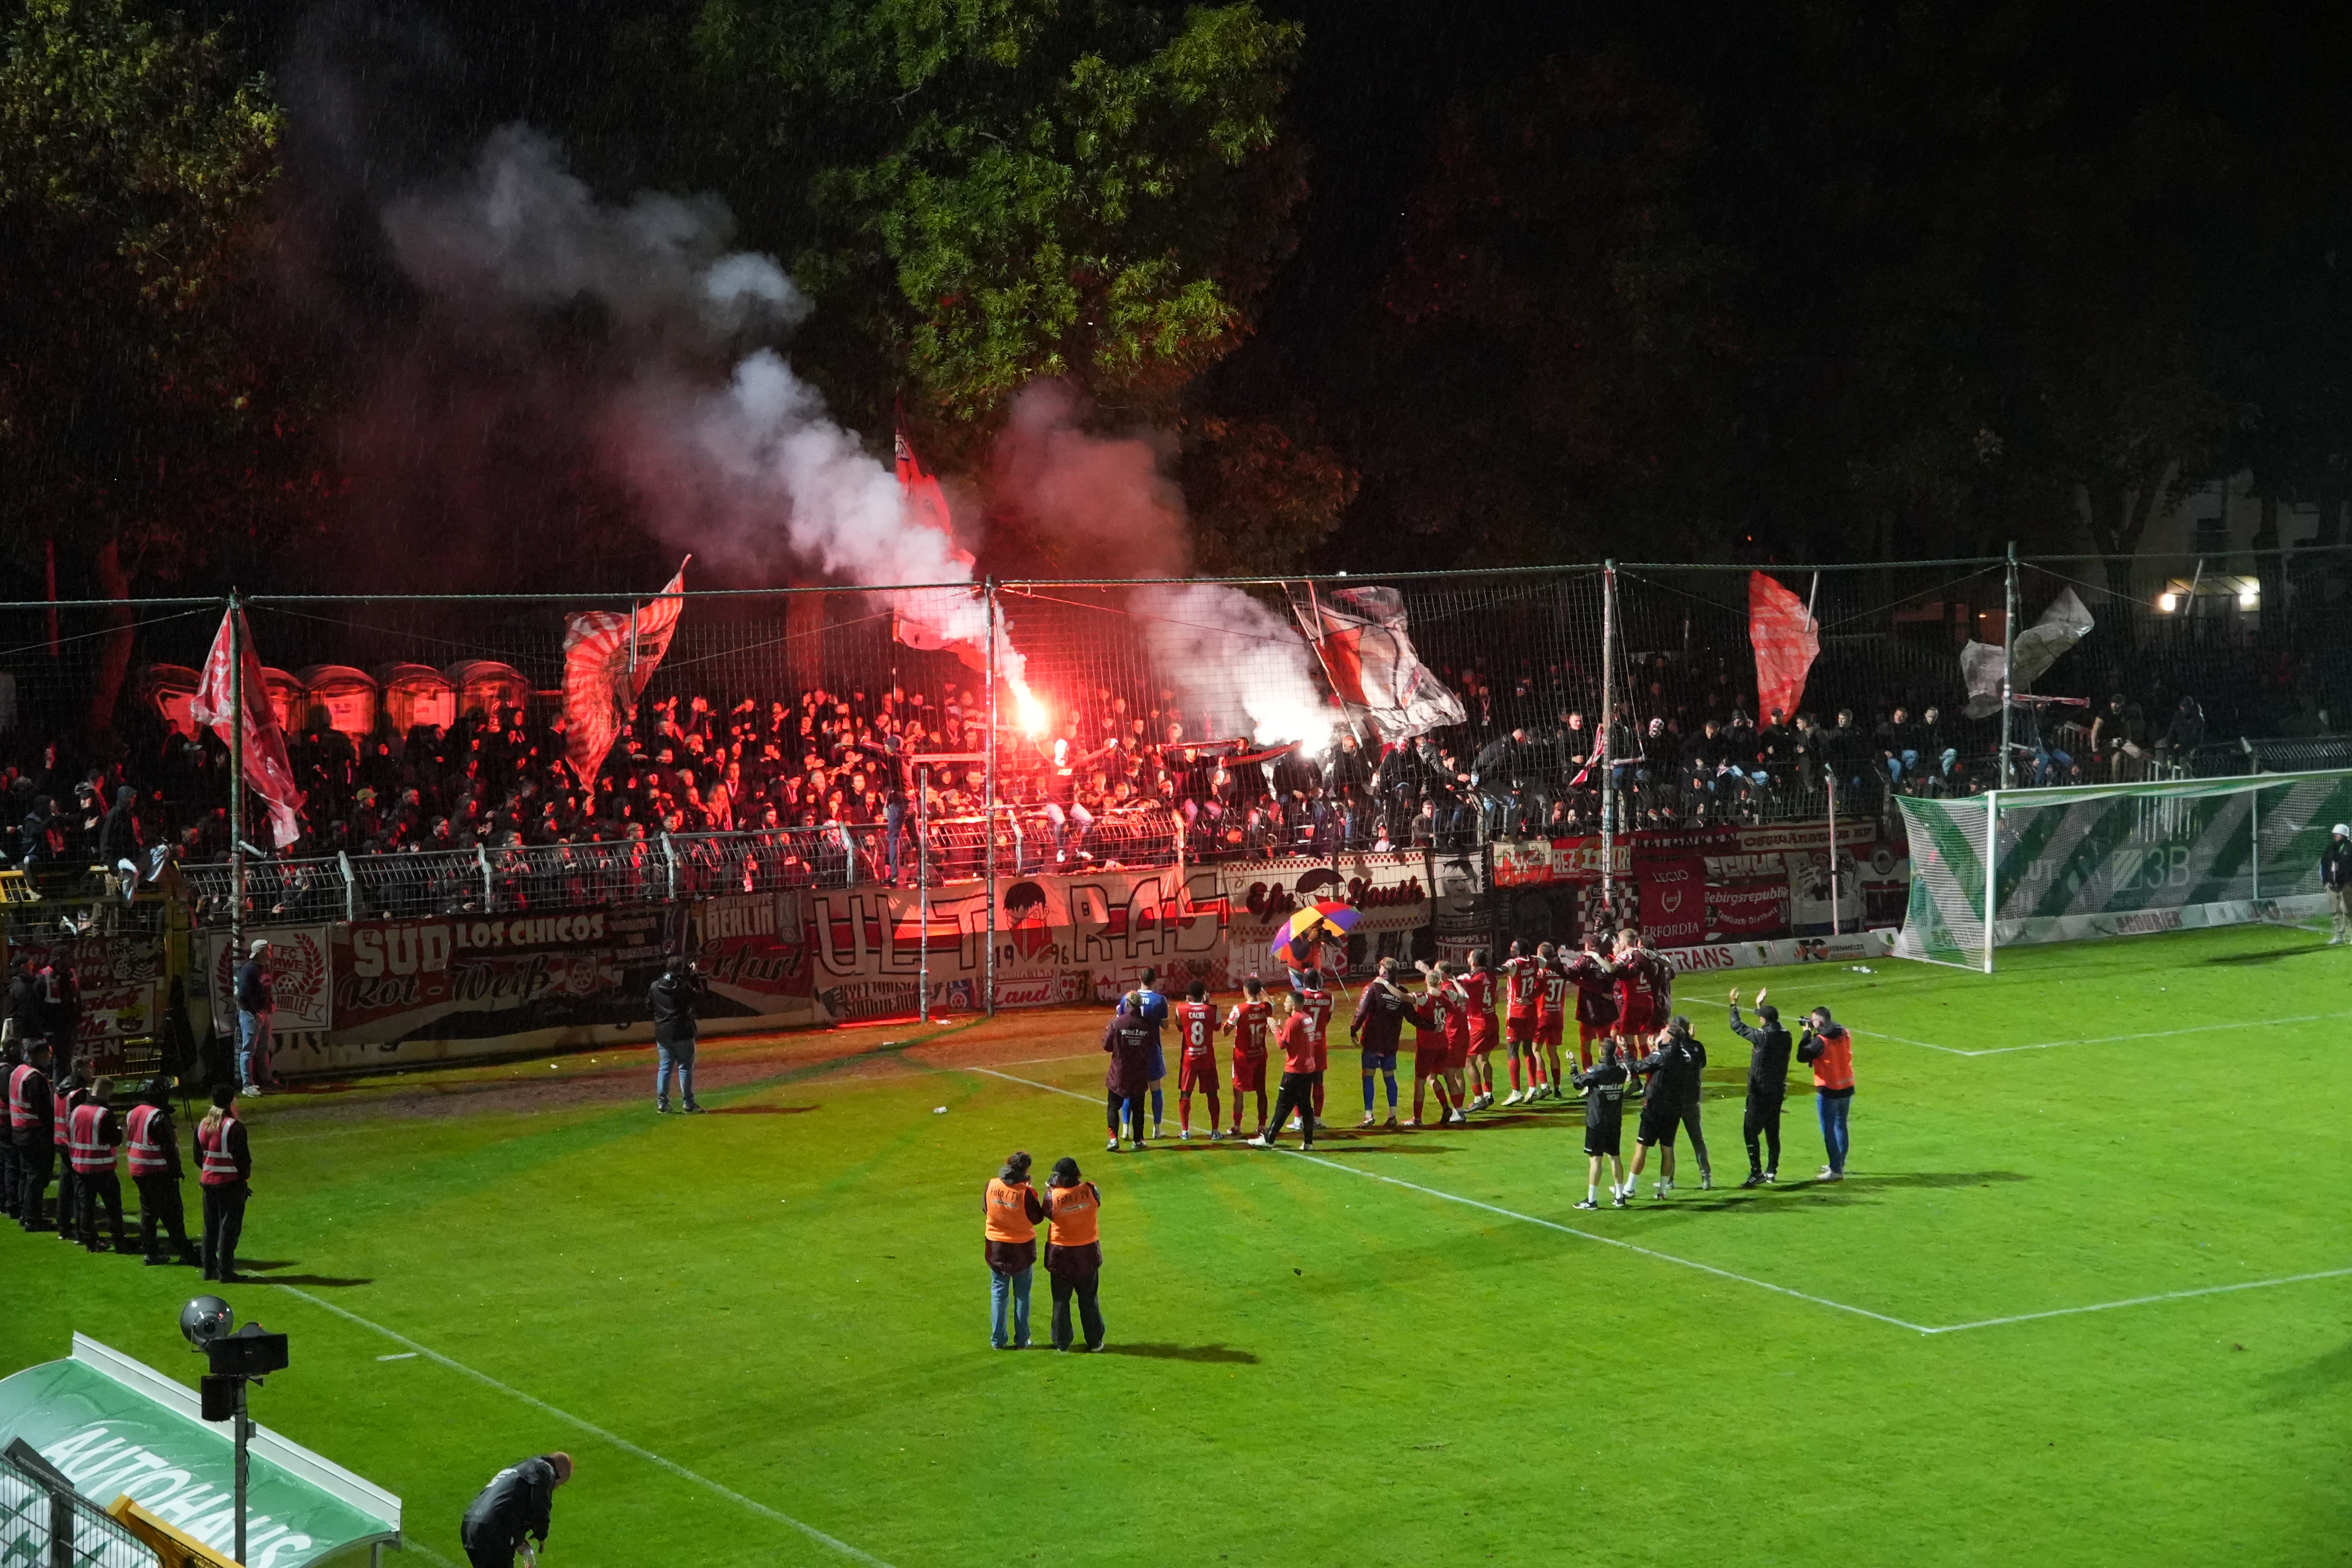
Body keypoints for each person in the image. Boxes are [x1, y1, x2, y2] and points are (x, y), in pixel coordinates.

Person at [1627, 1018, 1710, 1196]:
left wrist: (1651, 1051)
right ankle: (1705, 1178)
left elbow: (1644, 1066)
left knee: (1656, 1146)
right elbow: (1700, 1064)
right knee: (1693, 1141)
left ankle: (1637, 1187)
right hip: (1687, 1101)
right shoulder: (1693, 1051)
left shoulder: (1664, 1054)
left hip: (1662, 1105)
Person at [125, 1077, 199, 1266]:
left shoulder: (134, 1112)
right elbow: (168, 1149)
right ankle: (184, 1251)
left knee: (150, 1213)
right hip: (157, 1171)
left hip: (139, 1169)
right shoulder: (159, 1117)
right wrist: (176, 1171)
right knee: (172, 1212)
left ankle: (152, 1252)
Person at [460, 1452, 572, 1568]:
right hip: (493, 1531)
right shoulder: (545, 1469)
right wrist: (541, 1533)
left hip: (471, 1526)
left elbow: (508, 1506)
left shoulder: (519, 1468)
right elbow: (540, 1501)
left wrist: (518, 1540)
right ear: (561, 1474)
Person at [1728, 987, 1792, 1187]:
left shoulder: (1762, 1037)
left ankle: (1757, 1173)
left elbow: (1737, 1026)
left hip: (1760, 1091)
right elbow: (1768, 1027)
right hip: (1777, 1090)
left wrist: (1733, 1004)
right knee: (1773, 1131)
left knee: (1750, 1131)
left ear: (1764, 1020)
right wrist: (1759, 1006)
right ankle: (1772, 1171)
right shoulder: (1786, 1035)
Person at [1042, 1156, 1105, 1352]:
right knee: (1089, 1300)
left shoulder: (1053, 1197)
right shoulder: (1091, 1190)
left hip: (1061, 1255)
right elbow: (1097, 1202)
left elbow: (1047, 1212)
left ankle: (1062, 1342)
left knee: (1061, 1301)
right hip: (1087, 1253)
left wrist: (1053, 1190)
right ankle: (1095, 1341)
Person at [983, 1149, 1044, 1349]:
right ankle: (1022, 1339)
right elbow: (1037, 1218)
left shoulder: (992, 1184)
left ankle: (998, 1340)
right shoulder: (1025, 1192)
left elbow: (986, 1208)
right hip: (1021, 1247)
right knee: (1022, 1295)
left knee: (999, 1293)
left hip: (996, 1246)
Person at [196, 1081, 253, 1282]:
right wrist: (244, 1179)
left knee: (210, 1227)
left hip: (208, 1183)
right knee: (229, 1228)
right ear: (231, 1101)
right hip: (230, 1183)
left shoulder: (203, 1125)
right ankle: (225, 1271)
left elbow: (198, 1157)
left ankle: (208, 1268)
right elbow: (242, 1159)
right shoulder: (234, 1127)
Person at [1250, 994, 1322, 1150]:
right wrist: (1280, 1031)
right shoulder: (1306, 1018)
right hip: (1308, 1069)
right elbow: (1296, 1039)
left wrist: (1276, 1030)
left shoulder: (1294, 1020)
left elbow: (1282, 1044)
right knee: (1305, 1106)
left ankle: (1269, 1139)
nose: (1284, 1004)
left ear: (1295, 1005)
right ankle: (1309, 1142)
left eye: (1287, 1001)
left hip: (1294, 1070)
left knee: (1282, 1106)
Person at [1348, 957, 1412, 1129]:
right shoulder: (1402, 992)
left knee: (1368, 1075)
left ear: (1383, 972)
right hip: (1390, 1043)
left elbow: (1362, 1011)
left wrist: (1354, 1029)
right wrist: (1431, 1026)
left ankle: (1369, 1115)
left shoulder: (1373, 988)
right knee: (1389, 1076)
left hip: (1373, 1040)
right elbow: (1413, 1017)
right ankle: (1393, 1115)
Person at [67, 1074, 129, 1254]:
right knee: (113, 1207)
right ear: (106, 1091)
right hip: (103, 1167)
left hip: (81, 1166)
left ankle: (91, 1242)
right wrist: (119, 1130)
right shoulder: (104, 1114)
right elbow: (115, 1140)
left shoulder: (76, 1111)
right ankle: (118, 1240)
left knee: (86, 1206)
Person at [1796, 1004, 1856, 1181]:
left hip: (1829, 1089)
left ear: (1820, 1021)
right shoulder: (1844, 1032)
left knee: (1828, 1129)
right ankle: (1839, 1162)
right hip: (1847, 1084)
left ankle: (1836, 1171)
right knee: (1841, 1125)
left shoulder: (1821, 1041)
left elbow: (1802, 1056)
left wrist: (1806, 1033)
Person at [1571, 1042, 1631, 1209]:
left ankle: (1592, 1200)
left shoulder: (1596, 1071)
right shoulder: (1621, 1071)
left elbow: (1577, 1083)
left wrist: (1573, 1064)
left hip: (1596, 1122)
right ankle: (1620, 1197)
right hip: (1614, 1121)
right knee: (1615, 1157)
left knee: (1596, 1159)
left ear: (1601, 1051)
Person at [648, 955, 707, 1114]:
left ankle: (662, 1104)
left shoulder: (655, 986)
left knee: (665, 1068)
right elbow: (700, 996)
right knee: (685, 1068)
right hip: (682, 1032)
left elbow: (648, 1006)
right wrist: (695, 976)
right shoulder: (683, 987)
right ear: (680, 970)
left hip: (664, 1033)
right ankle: (688, 1104)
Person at [1220, 976, 1273, 1139]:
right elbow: (1271, 1002)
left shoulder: (1239, 1009)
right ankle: (1262, 1126)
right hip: (1259, 1055)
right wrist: (1262, 989)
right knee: (1261, 1091)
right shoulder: (1266, 1008)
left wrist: (1226, 1026)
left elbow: (1226, 1031)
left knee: (1238, 1090)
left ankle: (1237, 1126)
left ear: (1247, 990)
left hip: (1242, 1057)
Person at [1101, 994, 1156, 1150]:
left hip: (1119, 1074)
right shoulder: (1147, 1025)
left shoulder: (1117, 1023)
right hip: (1139, 1073)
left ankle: (1113, 1140)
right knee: (1138, 1108)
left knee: (1113, 1106)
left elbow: (1106, 1045)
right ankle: (1138, 1141)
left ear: (1127, 1004)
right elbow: (1152, 1047)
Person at [10, 1041, 55, 1231]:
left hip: (19, 1130)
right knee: (36, 1176)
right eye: (48, 1055)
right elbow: (43, 1110)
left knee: (26, 1173)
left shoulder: (18, 1071)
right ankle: (33, 1218)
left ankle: (24, 1213)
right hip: (33, 1133)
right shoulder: (34, 1078)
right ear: (40, 1055)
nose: (50, 1058)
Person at [1405, 962, 1456, 1126]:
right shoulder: (1444, 997)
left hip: (1427, 1044)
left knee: (1420, 1080)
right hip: (1442, 1042)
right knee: (1432, 1077)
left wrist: (1386, 986)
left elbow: (1404, 998)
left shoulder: (1424, 998)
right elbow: (1455, 1003)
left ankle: (1417, 1119)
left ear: (1426, 982)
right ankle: (1446, 1106)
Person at [1121, 967, 1170, 1137]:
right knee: (1156, 1090)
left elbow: (1120, 1020)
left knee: (1130, 1090)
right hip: (1152, 1050)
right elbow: (1165, 1026)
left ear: (1139, 978)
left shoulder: (1127, 998)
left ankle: (1126, 1130)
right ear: (1155, 980)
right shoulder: (1160, 1000)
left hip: (1132, 1052)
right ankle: (1157, 1130)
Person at [1171, 980, 1222, 1140]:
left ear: (1189, 996)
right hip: (1207, 1058)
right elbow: (1217, 1027)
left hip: (1189, 1059)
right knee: (1212, 1094)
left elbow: (1180, 1027)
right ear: (1204, 994)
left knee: (1186, 1093)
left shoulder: (1181, 1008)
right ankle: (1215, 1131)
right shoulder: (1213, 1009)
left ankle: (1185, 1131)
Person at [1499, 939, 1547, 1105]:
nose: (1511, 949)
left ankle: (1516, 1092)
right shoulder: (1536, 961)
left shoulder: (1514, 963)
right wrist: (1531, 997)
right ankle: (1533, 1088)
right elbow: (1547, 967)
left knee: (1512, 1050)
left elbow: (1502, 970)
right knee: (1528, 1049)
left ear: (1518, 951)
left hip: (1516, 1011)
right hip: (1531, 1011)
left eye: (1513, 947)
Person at [1564, 935, 1619, 1072]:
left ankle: (1588, 1075)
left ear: (1587, 946)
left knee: (1586, 1044)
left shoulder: (1584, 960)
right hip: (1606, 1009)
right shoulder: (1609, 959)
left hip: (1589, 1010)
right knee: (1606, 1044)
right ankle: (1609, 1073)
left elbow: (1573, 975)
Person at [1289, 967, 1334, 1131]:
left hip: (1304, 1047)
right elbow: (1327, 1018)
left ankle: (1298, 1120)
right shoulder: (1329, 998)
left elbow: (1295, 1021)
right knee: (1319, 1083)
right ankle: (1317, 1119)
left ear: (1305, 981)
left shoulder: (1301, 998)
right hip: (1320, 1045)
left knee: (1300, 1084)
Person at [1459, 949, 1500, 1110]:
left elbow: (1455, 983)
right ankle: (1488, 1094)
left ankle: (1478, 1098)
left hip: (1478, 1023)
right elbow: (1495, 998)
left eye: (1469, 956)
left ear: (1473, 962)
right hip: (1492, 1020)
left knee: (1469, 1060)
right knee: (1485, 1059)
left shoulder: (1473, 979)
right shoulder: (1491, 977)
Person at [234, 939, 274, 1095]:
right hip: (252, 1015)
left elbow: (266, 988)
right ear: (260, 952)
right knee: (249, 1049)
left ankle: (266, 1080)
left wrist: (269, 1004)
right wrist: (255, 1011)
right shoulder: (249, 970)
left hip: (262, 1012)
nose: (270, 953)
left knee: (263, 1048)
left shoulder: (263, 968)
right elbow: (243, 994)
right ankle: (247, 1085)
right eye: (267, 950)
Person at [1533, 944, 1570, 1099]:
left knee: (1536, 1051)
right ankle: (1558, 1087)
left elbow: (1535, 991)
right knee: (1553, 1052)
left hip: (1543, 1016)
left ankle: (1544, 1085)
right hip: (1558, 1016)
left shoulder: (1542, 973)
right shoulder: (1561, 973)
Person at [2324, 823, 2352, 945]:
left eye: (2338, 834)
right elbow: (2324, 865)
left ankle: (2351, 935)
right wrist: (2326, 881)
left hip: (2346, 885)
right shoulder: (2331, 848)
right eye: (2335, 834)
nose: (2335, 836)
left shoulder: (2350, 848)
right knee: (2335, 911)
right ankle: (2339, 935)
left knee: (2348, 910)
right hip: (2332, 885)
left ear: (2344, 835)